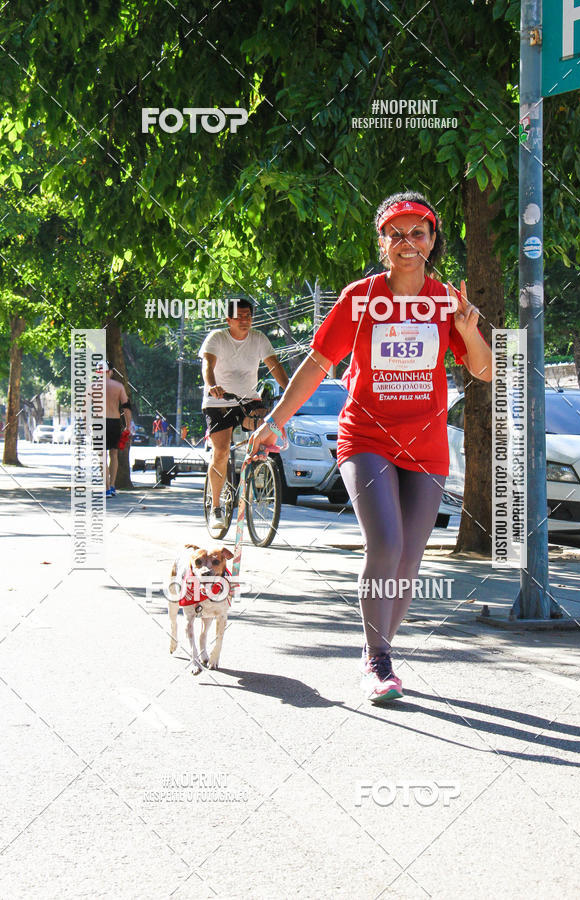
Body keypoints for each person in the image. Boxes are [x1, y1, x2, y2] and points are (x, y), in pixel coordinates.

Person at [248, 192, 492, 703]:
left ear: (433, 241)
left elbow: (484, 369)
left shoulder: (446, 301)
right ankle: (378, 660)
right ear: (382, 243)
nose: (407, 242)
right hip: (367, 438)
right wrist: (275, 420)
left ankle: (380, 646)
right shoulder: (360, 298)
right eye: (396, 234)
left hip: (425, 445)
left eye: (418, 233)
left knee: (410, 559)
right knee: (386, 543)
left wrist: (468, 332)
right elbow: (318, 363)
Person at [200, 297, 289, 530]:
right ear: (228, 319)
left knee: (266, 424)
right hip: (218, 401)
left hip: (248, 399)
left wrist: (291, 391)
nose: (244, 320)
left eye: (248, 316)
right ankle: (216, 507)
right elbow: (207, 365)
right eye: (239, 316)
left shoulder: (258, 338)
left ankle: (259, 464)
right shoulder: (217, 338)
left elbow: (274, 366)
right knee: (221, 451)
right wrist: (212, 385)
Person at [99, 361, 132, 497]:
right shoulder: (118, 386)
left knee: (102, 456)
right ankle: (112, 485)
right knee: (114, 454)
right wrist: (128, 425)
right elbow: (126, 406)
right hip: (114, 422)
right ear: (110, 372)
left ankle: (106, 487)